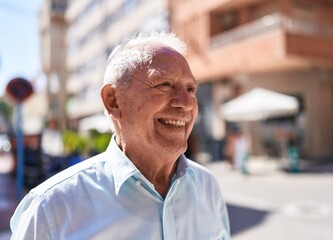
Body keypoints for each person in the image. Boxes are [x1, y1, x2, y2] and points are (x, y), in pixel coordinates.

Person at [10, 32, 230, 239]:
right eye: (165, 84)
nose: (185, 103)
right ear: (113, 101)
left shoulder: (208, 187)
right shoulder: (51, 208)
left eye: (191, 89)